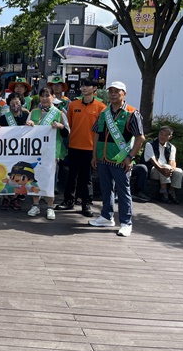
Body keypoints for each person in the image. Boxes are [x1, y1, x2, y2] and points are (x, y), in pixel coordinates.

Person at [89, 81, 145, 237]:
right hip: (103, 158)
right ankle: (106, 217)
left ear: (124, 94)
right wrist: (94, 155)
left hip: (121, 159)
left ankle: (126, 223)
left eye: (117, 91)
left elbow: (140, 138)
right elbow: (96, 134)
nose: (113, 94)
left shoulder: (132, 113)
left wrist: (130, 157)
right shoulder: (103, 112)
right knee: (106, 189)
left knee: (123, 191)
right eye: (111, 91)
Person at [55, 78, 106, 217]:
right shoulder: (73, 105)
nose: (84, 88)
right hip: (74, 145)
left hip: (90, 148)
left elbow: (102, 130)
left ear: (95, 88)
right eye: (82, 86)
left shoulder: (101, 107)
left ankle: (86, 203)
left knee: (86, 177)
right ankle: (68, 200)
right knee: (71, 175)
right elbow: (68, 125)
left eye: (87, 85)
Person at [26, 87, 70, 220]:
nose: (44, 98)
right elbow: (25, 132)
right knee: (34, 177)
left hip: (52, 152)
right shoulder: (33, 112)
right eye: (42, 96)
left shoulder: (59, 113)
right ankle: (35, 204)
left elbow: (67, 132)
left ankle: (50, 207)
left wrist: (61, 126)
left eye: (47, 95)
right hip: (35, 151)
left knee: (50, 179)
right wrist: (28, 125)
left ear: (53, 97)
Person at [0, 92, 29, 211]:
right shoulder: (3, 118)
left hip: (21, 150)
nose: (15, 105)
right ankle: (5, 197)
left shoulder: (27, 116)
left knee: (19, 174)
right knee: (6, 173)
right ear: (8, 104)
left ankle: (15, 197)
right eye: (12, 103)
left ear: (21, 103)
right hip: (6, 150)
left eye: (17, 102)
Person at [142, 125, 183, 204]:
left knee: (179, 171)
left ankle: (171, 192)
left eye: (165, 135)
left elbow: (172, 161)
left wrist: (172, 169)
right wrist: (162, 169)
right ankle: (163, 192)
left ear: (170, 137)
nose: (162, 137)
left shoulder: (172, 147)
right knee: (165, 167)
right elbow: (152, 160)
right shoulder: (150, 144)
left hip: (166, 170)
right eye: (161, 134)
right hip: (153, 169)